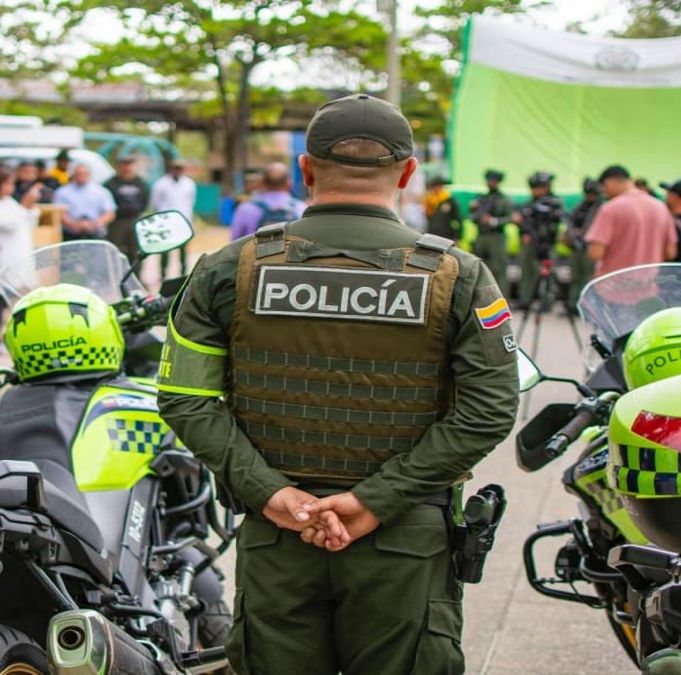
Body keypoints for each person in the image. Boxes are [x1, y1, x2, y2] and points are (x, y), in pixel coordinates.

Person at [156, 94, 518, 675]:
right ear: (408, 172)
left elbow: (186, 399)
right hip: (404, 543)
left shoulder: (229, 267)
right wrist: (375, 501)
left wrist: (271, 494)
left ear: (305, 169)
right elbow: (489, 411)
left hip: (278, 538)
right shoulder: (460, 276)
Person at [0, 168, 39, 354]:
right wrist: (24, 205)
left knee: (7, 301)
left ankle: (2, 336)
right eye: (7, 183)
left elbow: (26, 223)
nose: (10, 187)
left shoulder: (9, 202)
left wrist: (28, 208)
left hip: (15, 258)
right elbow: (6, 224)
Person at [585, 165, 677, 277]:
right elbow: (670, 253)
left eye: (604, 187)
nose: (604, 192)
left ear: (609, 182)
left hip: (614, 283)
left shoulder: (610, 208)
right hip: (649, 283)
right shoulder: (661, 207)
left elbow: (595, 253)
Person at [517, 171, 566, 307]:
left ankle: (547, 301)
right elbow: (523, 221)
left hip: (547, 244)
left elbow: (558, 221)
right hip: (530, 244)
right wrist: (524, 232)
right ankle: (525, 300)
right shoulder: (529, 204)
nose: (536, 191)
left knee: (548, 272)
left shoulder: (554, 203)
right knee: (527, 272)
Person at [229, 162, 306, 240]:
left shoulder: (245, 209)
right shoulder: (301, 208)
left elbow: (235, 240)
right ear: (289, 183)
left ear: (261, 182)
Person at [469, 169, 514, 296]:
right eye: (489, 180)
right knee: (481, 268)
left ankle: (502, 297)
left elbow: (510, 217)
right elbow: (473, 217)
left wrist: (493, 221)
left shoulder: (503, 199)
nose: (490, 183)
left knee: (499, 269)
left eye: (493, 181)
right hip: (482, 236)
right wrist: (475, 212)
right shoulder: (481, 198)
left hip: (496, 236)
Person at [150, 159, 197, 275]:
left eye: (180, 168)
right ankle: (163, 274)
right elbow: (155, 202)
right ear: (171, 169)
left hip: (183, 221)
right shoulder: (161, 184)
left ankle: (183, 274)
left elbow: (191, 202)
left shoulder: (189, 184)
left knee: (183, 249)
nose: (177, 171)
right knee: (165, 250)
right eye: (175, 168)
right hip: (166, 221)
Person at [103, 155, 150, 260]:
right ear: (118, 166)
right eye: (124, 165)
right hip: (117, 221)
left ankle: (136, 270)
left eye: (129, 164)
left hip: (135, 220)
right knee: (114, 251)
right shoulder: (110, 184)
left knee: (136, 252)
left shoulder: (141, 183)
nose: (127, 168)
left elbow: (145, 201)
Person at [564, 178, 602, 305]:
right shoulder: (581, 207)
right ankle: (573, 302)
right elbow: (570, 222)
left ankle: (587, 304)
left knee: (589, 277)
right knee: (576, 276)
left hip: (590, 247)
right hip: (577, 247)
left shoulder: (601, 208)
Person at [53, 163, 116, 242]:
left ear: (90, 174)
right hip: (71, 236)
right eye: (79, 173)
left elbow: (110, 213)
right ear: (73, 174)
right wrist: (74, 224)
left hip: (95, 235)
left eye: (84, 173)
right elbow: (58, 213)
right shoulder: (62, 192)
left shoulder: (101, 191)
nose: (81, 176)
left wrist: (94, 224)